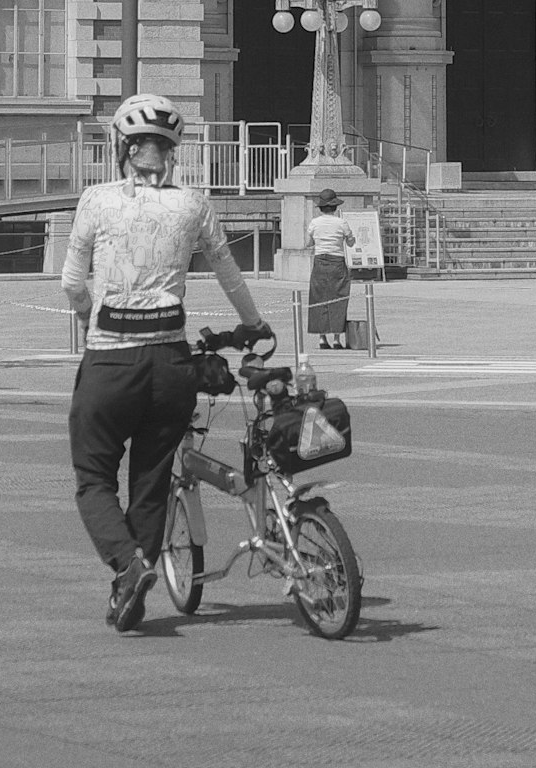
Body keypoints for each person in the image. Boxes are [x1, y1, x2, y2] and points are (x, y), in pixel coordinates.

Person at [62, 94, 269, 631]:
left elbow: (70, 283)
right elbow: (229, 272)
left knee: (93, 478)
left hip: (111, 362)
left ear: (123, 150)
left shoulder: (97, 199)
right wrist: (253, 324)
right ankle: (133, 582)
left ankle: (128, 564)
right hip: (172, 366)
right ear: (171, 153)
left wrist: (90, 315)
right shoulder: (193, 204)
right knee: (151, 480)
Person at [304, 195, 356, 348]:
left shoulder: (314, 223)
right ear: (335, 207)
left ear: (320, 207)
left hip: (320, 261)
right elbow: (351, 243)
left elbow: (308, 243)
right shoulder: (341, 223)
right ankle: (336, 339)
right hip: (337, 262)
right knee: (339, 298)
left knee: (319, 297)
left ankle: (321, 338)